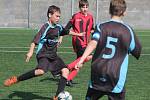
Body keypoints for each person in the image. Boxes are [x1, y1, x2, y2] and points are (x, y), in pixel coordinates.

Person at [3, 5, 83, 100]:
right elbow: (34, 41)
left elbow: (66, 31)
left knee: (65, 71)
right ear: (50, 15)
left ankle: (56, 97)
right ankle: (16, 79)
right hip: (43, 54)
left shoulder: (58, 27)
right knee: (41, 71)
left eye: (59, 16)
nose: (58, 18)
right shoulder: (45, 27)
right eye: (56, 16)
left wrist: (78, 34)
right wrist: (30, 52)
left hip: (53, 56)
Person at [75, 0, 142, 99]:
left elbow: (93, 42)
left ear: (109, 10)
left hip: (98, 72)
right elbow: (137, 51)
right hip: (116, 75)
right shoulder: (128, 30)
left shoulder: (101, 27)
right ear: (124, 12)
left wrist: (81, 60)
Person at [64, 0, 94, 86]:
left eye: (86, 7)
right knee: (87, 57)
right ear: (79, 8)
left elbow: (92, 28)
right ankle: (67, 67)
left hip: (86, 42)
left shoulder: (90, 17)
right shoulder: (76, 16)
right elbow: (66, 29)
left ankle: (68, 79)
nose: (85, 9)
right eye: (83, 7)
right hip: (78, 41)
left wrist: (94, 32)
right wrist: (61, 37)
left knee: (80, 62)